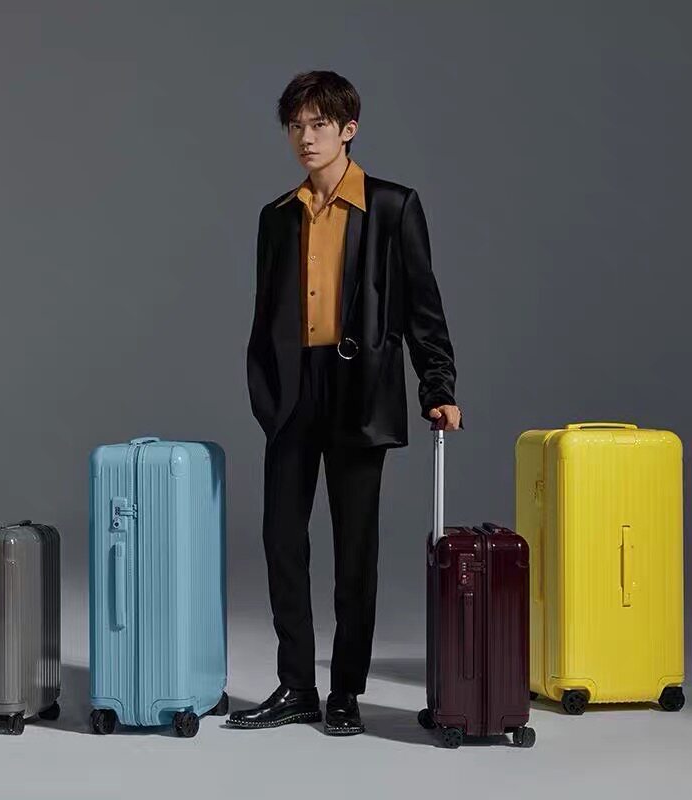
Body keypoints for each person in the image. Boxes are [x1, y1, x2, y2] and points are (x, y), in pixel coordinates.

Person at [229, 70, 462, 736]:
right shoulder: (277, 216)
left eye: (319, 125)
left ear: (348, 130)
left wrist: (438, 386)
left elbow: (423, 306)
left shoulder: (391, 205)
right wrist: (266, 391)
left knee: (354, 548)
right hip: (294, 391)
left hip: (361, 389)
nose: (306, 138)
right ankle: (297, 686)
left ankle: (345, 693)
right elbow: (265, 314)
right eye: (296, 126)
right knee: (282, 539)